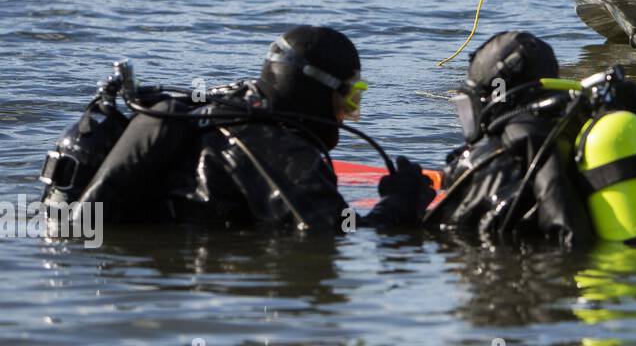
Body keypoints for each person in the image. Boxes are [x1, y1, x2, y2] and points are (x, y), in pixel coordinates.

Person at [43, 26, 433, 231]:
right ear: (317, 92)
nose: (349, 112)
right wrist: (399, 205)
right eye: (350, 97)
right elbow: (330, 236)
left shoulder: (224, 109)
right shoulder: (280, 149)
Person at [428, 31, 636, 248]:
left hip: (606, 279)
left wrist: (401, 203)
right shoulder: (590, 119)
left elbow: (458, 231)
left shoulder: (513, 148)